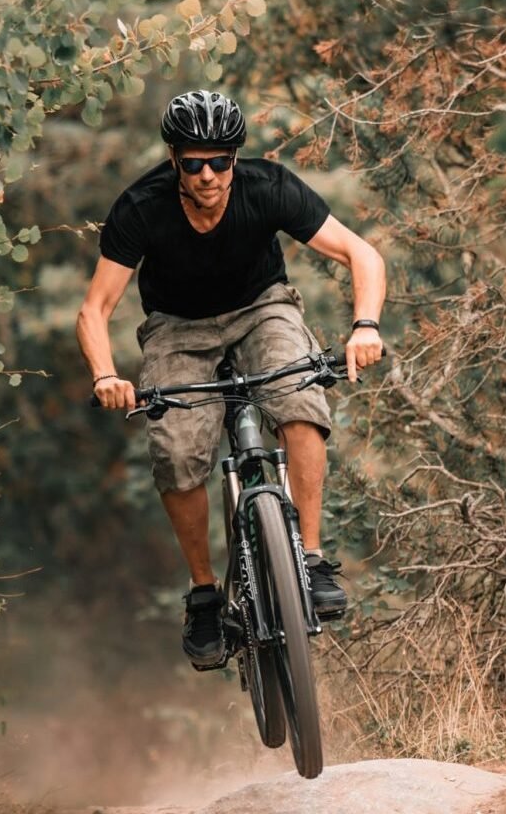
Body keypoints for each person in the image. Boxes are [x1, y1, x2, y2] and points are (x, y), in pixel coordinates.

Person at [77, 89, 386, 667]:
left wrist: (365, 326)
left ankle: (311, 558)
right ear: (174, 160)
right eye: (194, 163)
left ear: (235, 159)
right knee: (175, 451)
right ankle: (203, 594)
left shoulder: (267, 187)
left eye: (220, 161)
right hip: (177, 328)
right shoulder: (141, 208)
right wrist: (105, 376)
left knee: (300, 401)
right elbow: (94, 310)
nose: (208, 175)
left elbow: (361, 254)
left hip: (262, 308)